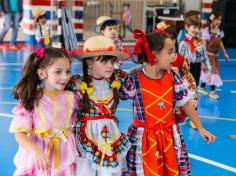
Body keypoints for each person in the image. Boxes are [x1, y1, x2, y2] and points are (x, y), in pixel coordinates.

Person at [119, 29, 216, 175]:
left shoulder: (174, 78)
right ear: (154, 55)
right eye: (170, 51)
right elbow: (114, 94)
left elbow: (186, 104)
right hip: (143, 139)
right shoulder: (134, 79)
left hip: (169, 136)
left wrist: (200, 128)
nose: (174, 56)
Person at [67, 36, 131, 176]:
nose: (110, 66)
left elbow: (135, 87)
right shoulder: (77, 84)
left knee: (108, 172)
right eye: (104, 61)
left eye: (112, 61)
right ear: (89, 62)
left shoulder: (117, 80)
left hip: (109, 135)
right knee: (85, 171)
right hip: (86, 136)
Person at [9, 48, 79, 175]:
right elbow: (19, 134)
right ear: (42, 74)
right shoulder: (32, 100)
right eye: (58, 72)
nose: (65, 76)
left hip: (64, 154)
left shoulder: (72, 97)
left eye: (68, 71)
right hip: (40, 154)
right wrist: (35, 150)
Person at [198, 11, 229, 99]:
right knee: (212, 72)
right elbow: (203, 46)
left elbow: (220, 42)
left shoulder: (219, 31)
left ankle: (201, 87)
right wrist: (203, 61)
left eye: (220, 19)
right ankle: (212, 91)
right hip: (208, 56)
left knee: (208, 72)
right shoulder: (207, 31)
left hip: (215, 56)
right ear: (211, 20)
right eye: (217, 19)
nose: (219, 21)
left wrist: (225, 53)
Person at [179, 14, 211, 88]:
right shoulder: (184, 43)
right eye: (194, 27)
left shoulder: (200, 42)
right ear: (187, 27)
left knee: (194, 89)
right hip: (187, 69)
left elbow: (205, 57)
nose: (196, 30)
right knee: (187, 91)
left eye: (198, 28)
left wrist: (209, 72)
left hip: (197, 68)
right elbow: (180, 60)